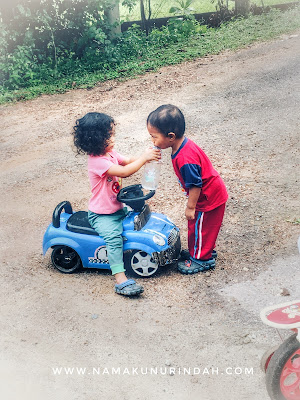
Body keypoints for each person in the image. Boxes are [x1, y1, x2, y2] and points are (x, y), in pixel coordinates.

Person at [72, 112, 161, 295]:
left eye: (112, 133)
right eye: (109, 135)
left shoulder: (110, 153)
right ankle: (120, 278)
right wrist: (144, 159)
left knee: (139, 217)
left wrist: (146, 156)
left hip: (117, 208)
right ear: (96, 140)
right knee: (114, 238)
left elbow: (128, 161)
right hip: (102, 215)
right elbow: (124, 172)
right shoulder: (96, 162)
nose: (113, 138)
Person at [146, 104, 228, 274]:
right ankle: (200, 250)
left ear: (170, 136)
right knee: (201, 227)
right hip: (209, 196)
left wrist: (190, 207)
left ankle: (201, 259)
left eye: (154, 137)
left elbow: (196, 184)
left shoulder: (185, 158)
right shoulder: (182, 145)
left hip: (207, 198)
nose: (152, 142)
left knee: (200, 226)